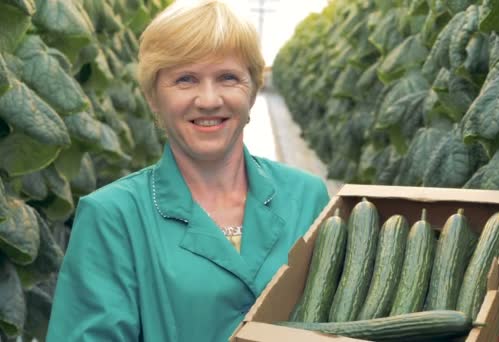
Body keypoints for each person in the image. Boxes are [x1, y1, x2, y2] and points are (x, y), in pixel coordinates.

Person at [46, 1, 330, 341]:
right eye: (185, 79)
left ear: (252, 91)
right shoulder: (112, 216)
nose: (209, 99)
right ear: (153, 97)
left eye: (228, 77)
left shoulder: (308, 197)